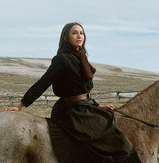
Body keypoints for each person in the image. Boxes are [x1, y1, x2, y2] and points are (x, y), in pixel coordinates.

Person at [4, 22, 141, 163]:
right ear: (65, 37)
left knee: (108, 119)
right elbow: (43, 83)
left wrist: (97, 106)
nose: (79, 36)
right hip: (71, 111)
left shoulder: (81, 57)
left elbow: (83, 90)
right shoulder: (61, 59)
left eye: (81, 33)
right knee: (117, 140)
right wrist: (20, 105)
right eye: (74, 33)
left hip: (85, 107)